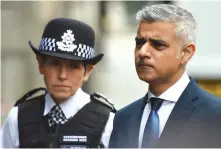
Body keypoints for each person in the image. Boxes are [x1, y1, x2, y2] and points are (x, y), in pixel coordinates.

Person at [109, 4, 221, 148]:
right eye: (139, 43)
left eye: (158, 45)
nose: (142, 52)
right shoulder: (124, 118)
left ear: (186, 53)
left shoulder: (215, 115)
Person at [1, 18, 116, 148]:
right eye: (55, 63)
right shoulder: (18, 118)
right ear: (41, 65)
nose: (62, 75)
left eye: (73, 66)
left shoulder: (107, 123)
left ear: (87, 72)